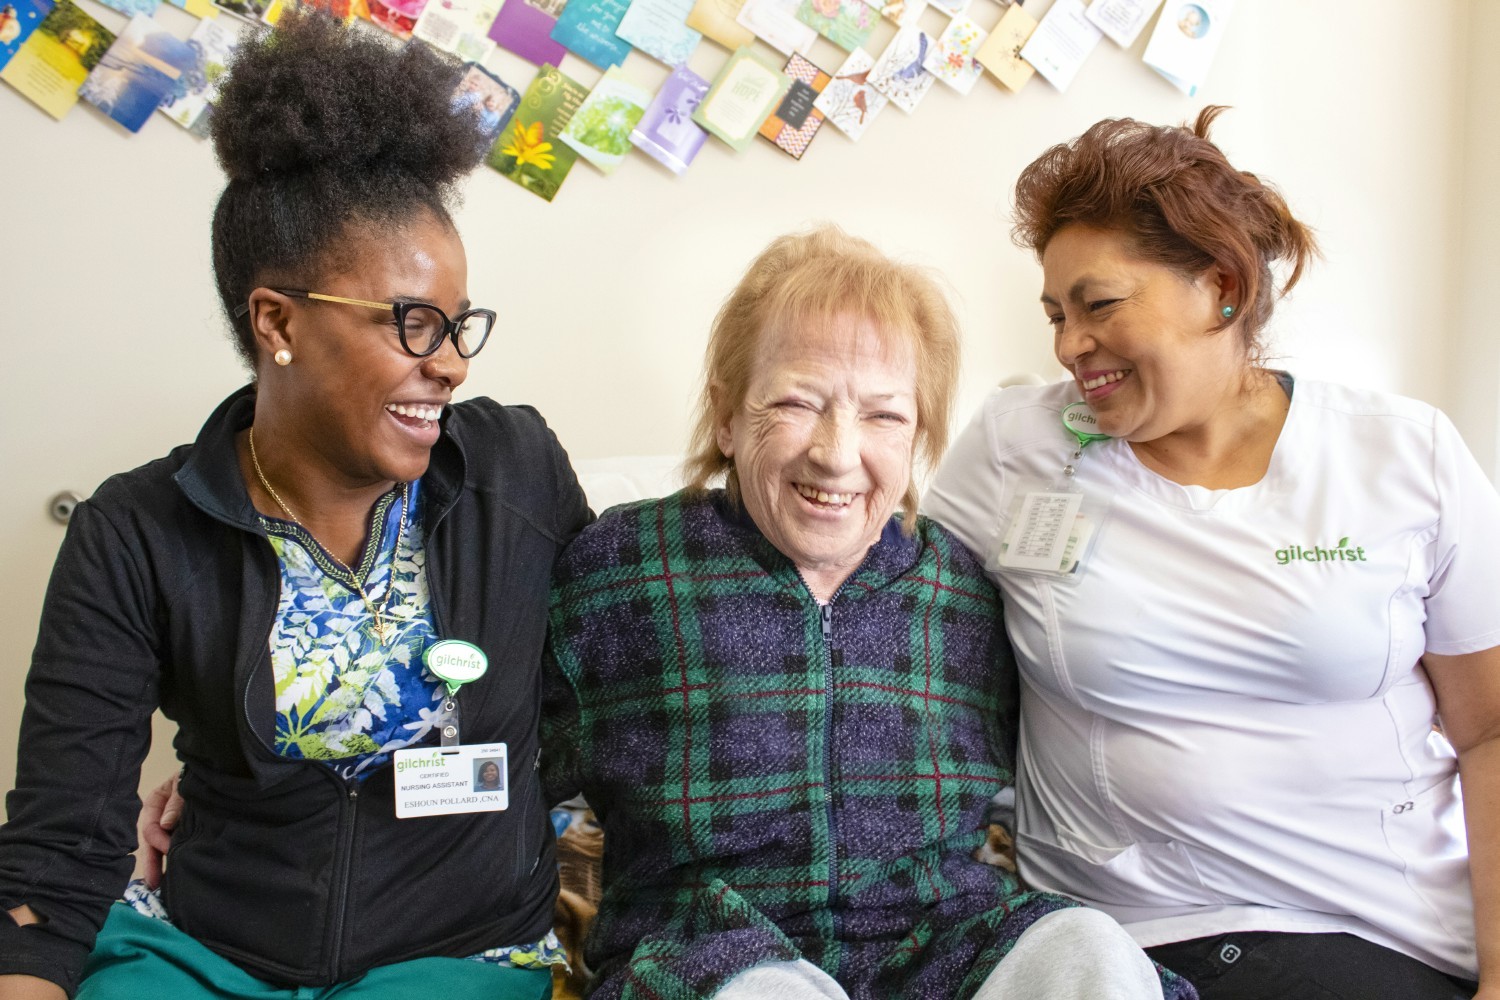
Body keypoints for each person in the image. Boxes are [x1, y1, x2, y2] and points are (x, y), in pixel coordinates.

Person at [0, 12, 587, 1000]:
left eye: (458, 325)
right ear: (276, 321)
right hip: (204, 953)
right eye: (412, 324)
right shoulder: (135, 532)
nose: (448, 362)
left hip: (459, 958)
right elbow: (60, 842)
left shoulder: (512, 471)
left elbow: (610, 699)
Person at [923, 107, 1499, 1000]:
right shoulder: (1014, 446)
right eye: (1055, 315)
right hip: (1115, 943)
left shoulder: (1403, 455)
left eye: (1099, 305)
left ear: (1223, 288)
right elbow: (898, 652)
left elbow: (1491, 731)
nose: (1069, 345)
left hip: (1375, 933)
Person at [540, 226, 1196, 1000]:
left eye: (885, 416)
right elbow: (516, 776)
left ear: (920, 432)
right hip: (710, 957)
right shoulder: (621, 570)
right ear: (725, 414)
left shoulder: (965, 589)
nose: (837, 453)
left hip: (944, 945)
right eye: (796, 402)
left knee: (1088, 949)